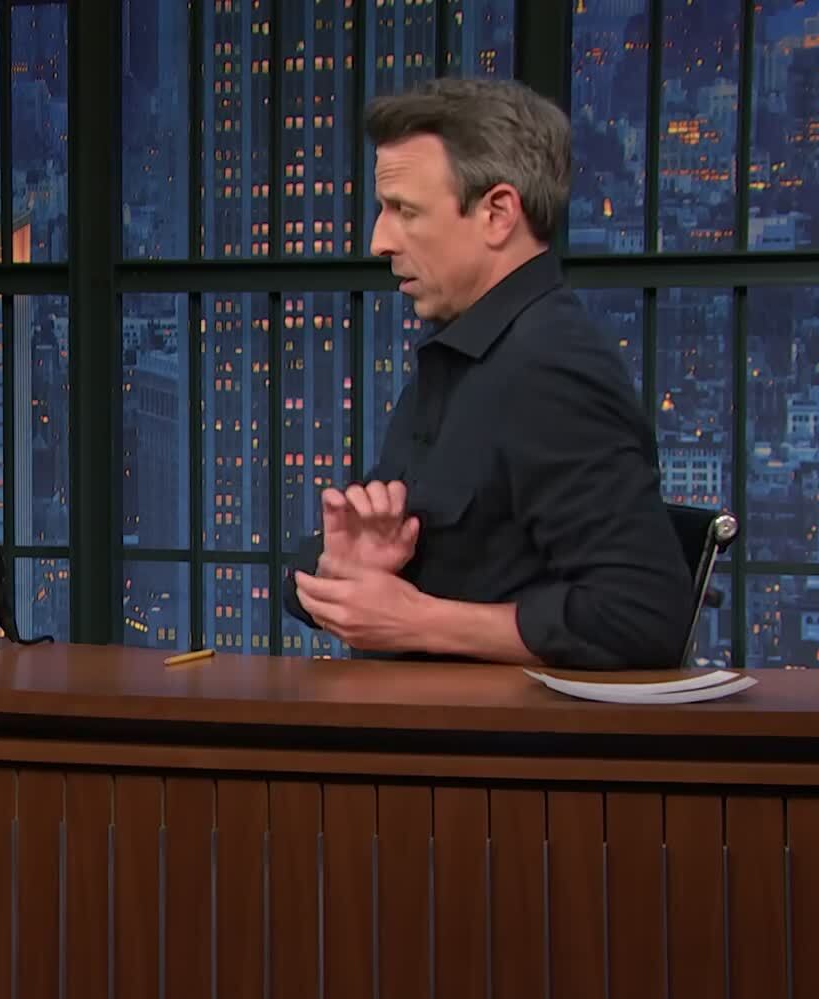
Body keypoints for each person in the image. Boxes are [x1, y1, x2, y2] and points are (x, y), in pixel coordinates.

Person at [284, 77, 691, 671]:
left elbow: (643, 614)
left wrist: (418, 620)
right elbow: (311, 567)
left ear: (497, 213)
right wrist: (343, 567)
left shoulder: (548, 368)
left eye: (404, 211)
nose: (378, 240)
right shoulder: (462, 354)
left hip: (497, 730)